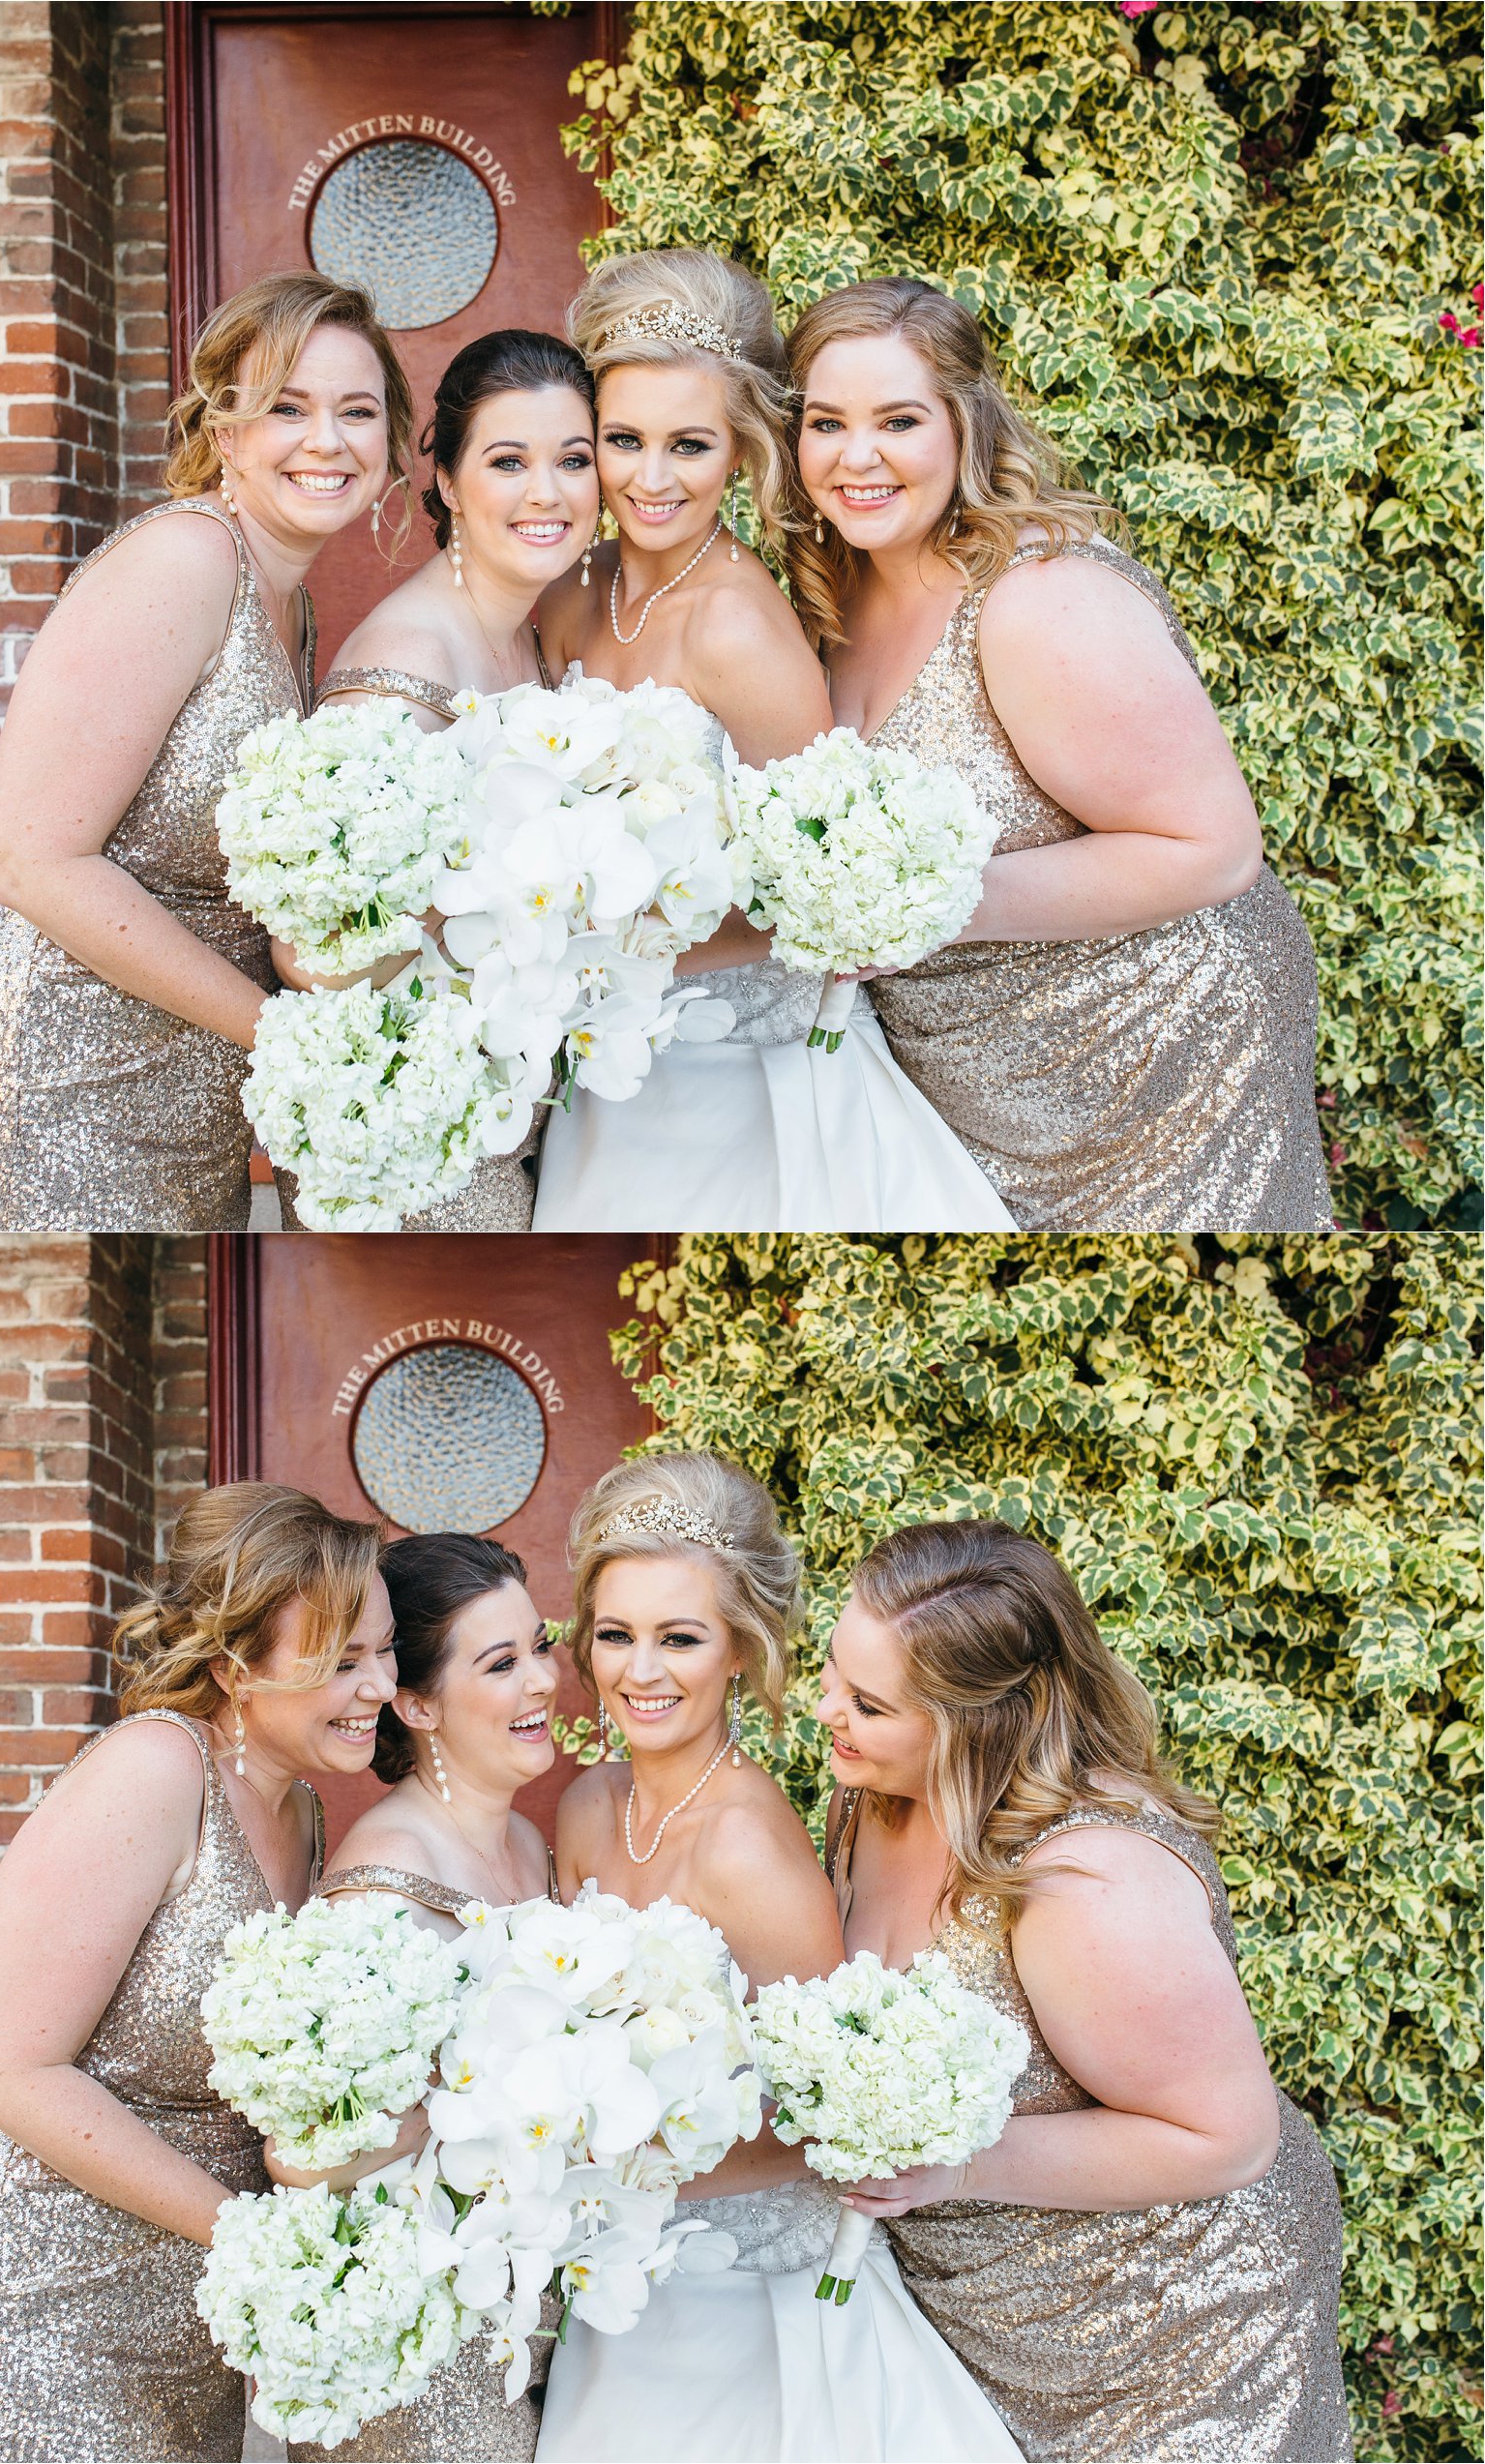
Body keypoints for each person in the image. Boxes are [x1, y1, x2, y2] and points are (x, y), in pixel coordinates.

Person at [787, 277, 1334, 1231]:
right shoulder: (829, 593)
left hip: (1158, 1062)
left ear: (964, 425)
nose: (855, 457)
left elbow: (1209, 848)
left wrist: (909, 908)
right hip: (981, 1082)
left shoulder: (1040, 599)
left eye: (897, 421)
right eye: (825, 423)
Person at [0, 1485, 397, 2463]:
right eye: (340, 1660)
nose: (377, 1685)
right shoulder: (153, 1772)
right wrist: (255, 2242)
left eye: (383, 1650)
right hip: (33, 2285)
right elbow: (2, 2068)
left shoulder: (305, 1814)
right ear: (235, 1663)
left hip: (187, 2299)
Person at [821, 1518, 1351, 2461]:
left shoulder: (1086, 1885)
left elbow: (1221, 2138)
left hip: (1173, 2320)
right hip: (976, 2304)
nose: (827, 1710)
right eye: (833, 1672)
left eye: (865, 1702)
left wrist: (950, 2167)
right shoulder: (867, 1793)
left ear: (971, 1721)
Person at [0, 272, 412, 1232]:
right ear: (224, 432)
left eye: (357, 411)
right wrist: (285, 1040)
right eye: (285, 409)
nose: (327, 441)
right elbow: (29, 860)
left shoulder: (291, 603)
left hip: (191, 1076)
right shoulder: (184, 561)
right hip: (54, 1065)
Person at [536, 1454, 1021, 2464]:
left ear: (738, 1651)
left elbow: (820, 2123)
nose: (641, 1670)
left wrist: (604, 2166)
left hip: (746, 2295)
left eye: (680, 1638)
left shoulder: (749, 1845)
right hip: (620, 2281)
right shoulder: (586, 1806)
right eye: (616, 1635)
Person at [530, 248, 1014, 1234]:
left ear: (744, 448)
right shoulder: (570, 591)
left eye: (691, 446)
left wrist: (597, 963)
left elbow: (811, 900)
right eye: (621, 440)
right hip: (604, 1066)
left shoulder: (740, 629)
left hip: (738, 1080)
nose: (650, 480)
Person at [275, 327, 603, 1231]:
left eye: (573, 459)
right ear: (449, 483)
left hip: (517, 1107)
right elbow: (310, 957)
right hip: (427, 1139)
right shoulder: (405, 661)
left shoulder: (534, 634)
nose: (548, 492)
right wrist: (494, 895)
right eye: (508, 461)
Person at [281, 1532, 562, 2462]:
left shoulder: (529, 1842)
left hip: (530, 2303)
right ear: (416, 1702)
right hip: (427, 2347)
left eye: (541, 1645)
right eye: (501, 1662)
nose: (542, 1681)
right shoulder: (384, 1878)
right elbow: (306, 2153)